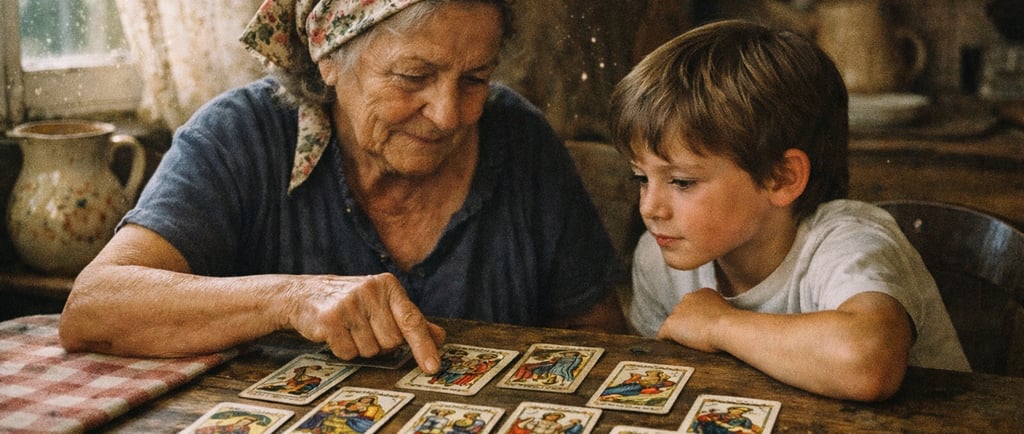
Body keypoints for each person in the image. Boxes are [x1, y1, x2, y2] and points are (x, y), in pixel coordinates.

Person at [58, 0, 625, 375]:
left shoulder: (519, 140)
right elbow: (95, 307)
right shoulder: (243, 137)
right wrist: (292, 297)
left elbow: (601, 341)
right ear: (329, 57)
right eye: (413, 76)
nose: (449, 114)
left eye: (475, 78)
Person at [609, 19, 969, 402]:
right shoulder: (659, 258)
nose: (650, 207)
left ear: (781, 178)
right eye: (640, 178)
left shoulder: (848, 241)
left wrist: (719, 323)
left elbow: (866, 363)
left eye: (681, 182)